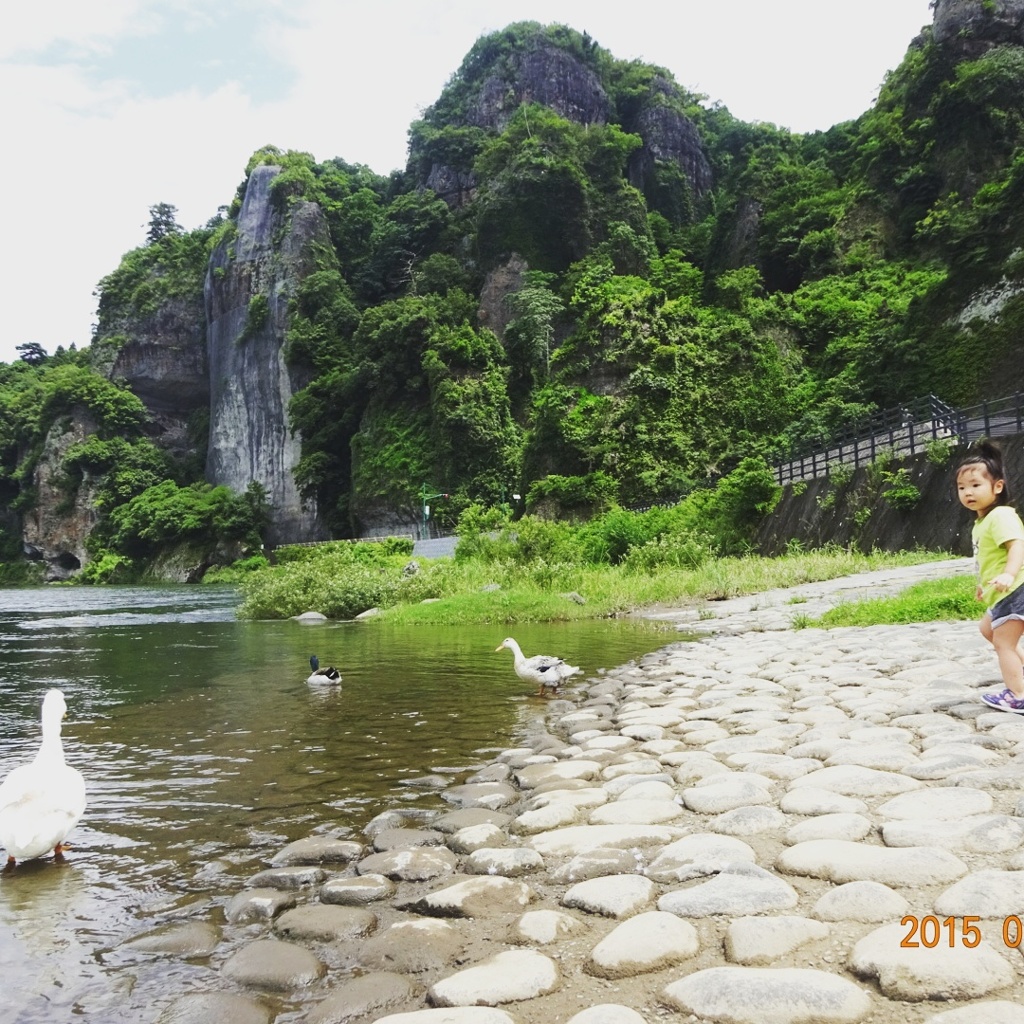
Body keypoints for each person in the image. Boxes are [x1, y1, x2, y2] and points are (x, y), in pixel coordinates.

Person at [956, 440, 1024, 712]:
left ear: (997, 487)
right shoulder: (982, 522)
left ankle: (1018, 694)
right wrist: (982, 585)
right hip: (1001, 592)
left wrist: (1009, 574)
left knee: (1003, 643)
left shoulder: (1002, 515)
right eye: (962, 488)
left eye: (975, 485)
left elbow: (1017, 545)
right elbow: (986, 558)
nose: (968, 493)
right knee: (988, 629)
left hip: (1016, 588)